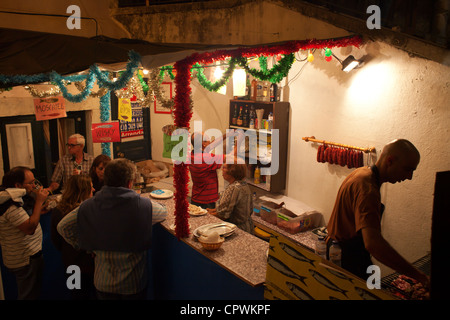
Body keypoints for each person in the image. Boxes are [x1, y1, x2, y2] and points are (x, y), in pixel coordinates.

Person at [57, 158, 167, 300]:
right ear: (130, 182)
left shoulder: (88, 205)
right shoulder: (143, 205)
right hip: (132, 284)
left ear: (105, 180)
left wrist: (84, 245)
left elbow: (63, 227)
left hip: (103, 282)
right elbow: (163, 212)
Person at [327, 139, 429, 287]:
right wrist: (420, 276)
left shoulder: (363, 172)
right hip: (347, 257)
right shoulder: (367, 189)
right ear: (390, 161)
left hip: (346, 250)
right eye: (408, 169)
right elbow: (373, 244)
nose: (409, 177)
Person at [0, 166, 49, 299]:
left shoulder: (18, 198)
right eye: (31, 182)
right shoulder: (10, 204)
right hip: (24, 259)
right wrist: (39, 202)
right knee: (28, 295)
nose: (34, 185)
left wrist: (38, 211)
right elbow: (29, 228)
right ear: (18, 185)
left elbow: (25, 219)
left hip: (28, 256)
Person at [50, 175, 96, 300]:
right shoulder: (88, 211)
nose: (94, 189)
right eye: (91, 188)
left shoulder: (57, 210)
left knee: (76, 295)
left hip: (70, 265)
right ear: (82, 191)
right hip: (91, 266)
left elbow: (56, 240)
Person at [207, 162, 254, 234]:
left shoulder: (233, 188)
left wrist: (206, 214)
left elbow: (223, 215)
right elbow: (227, 208)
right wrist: (211, 211)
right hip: (247, 227)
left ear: (232, 171)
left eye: (224, 168)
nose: (222, 169)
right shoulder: (243, 184)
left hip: (237, 230)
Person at [188, 132, 223, 210]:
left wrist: (226, 135)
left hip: (195, 198)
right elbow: (229, 157)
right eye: (208, 140)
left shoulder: (192, 155)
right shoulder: (207, 159)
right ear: (203, 144)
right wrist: (238, 144)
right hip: (207, 202)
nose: (210, 142)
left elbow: (209, 146)